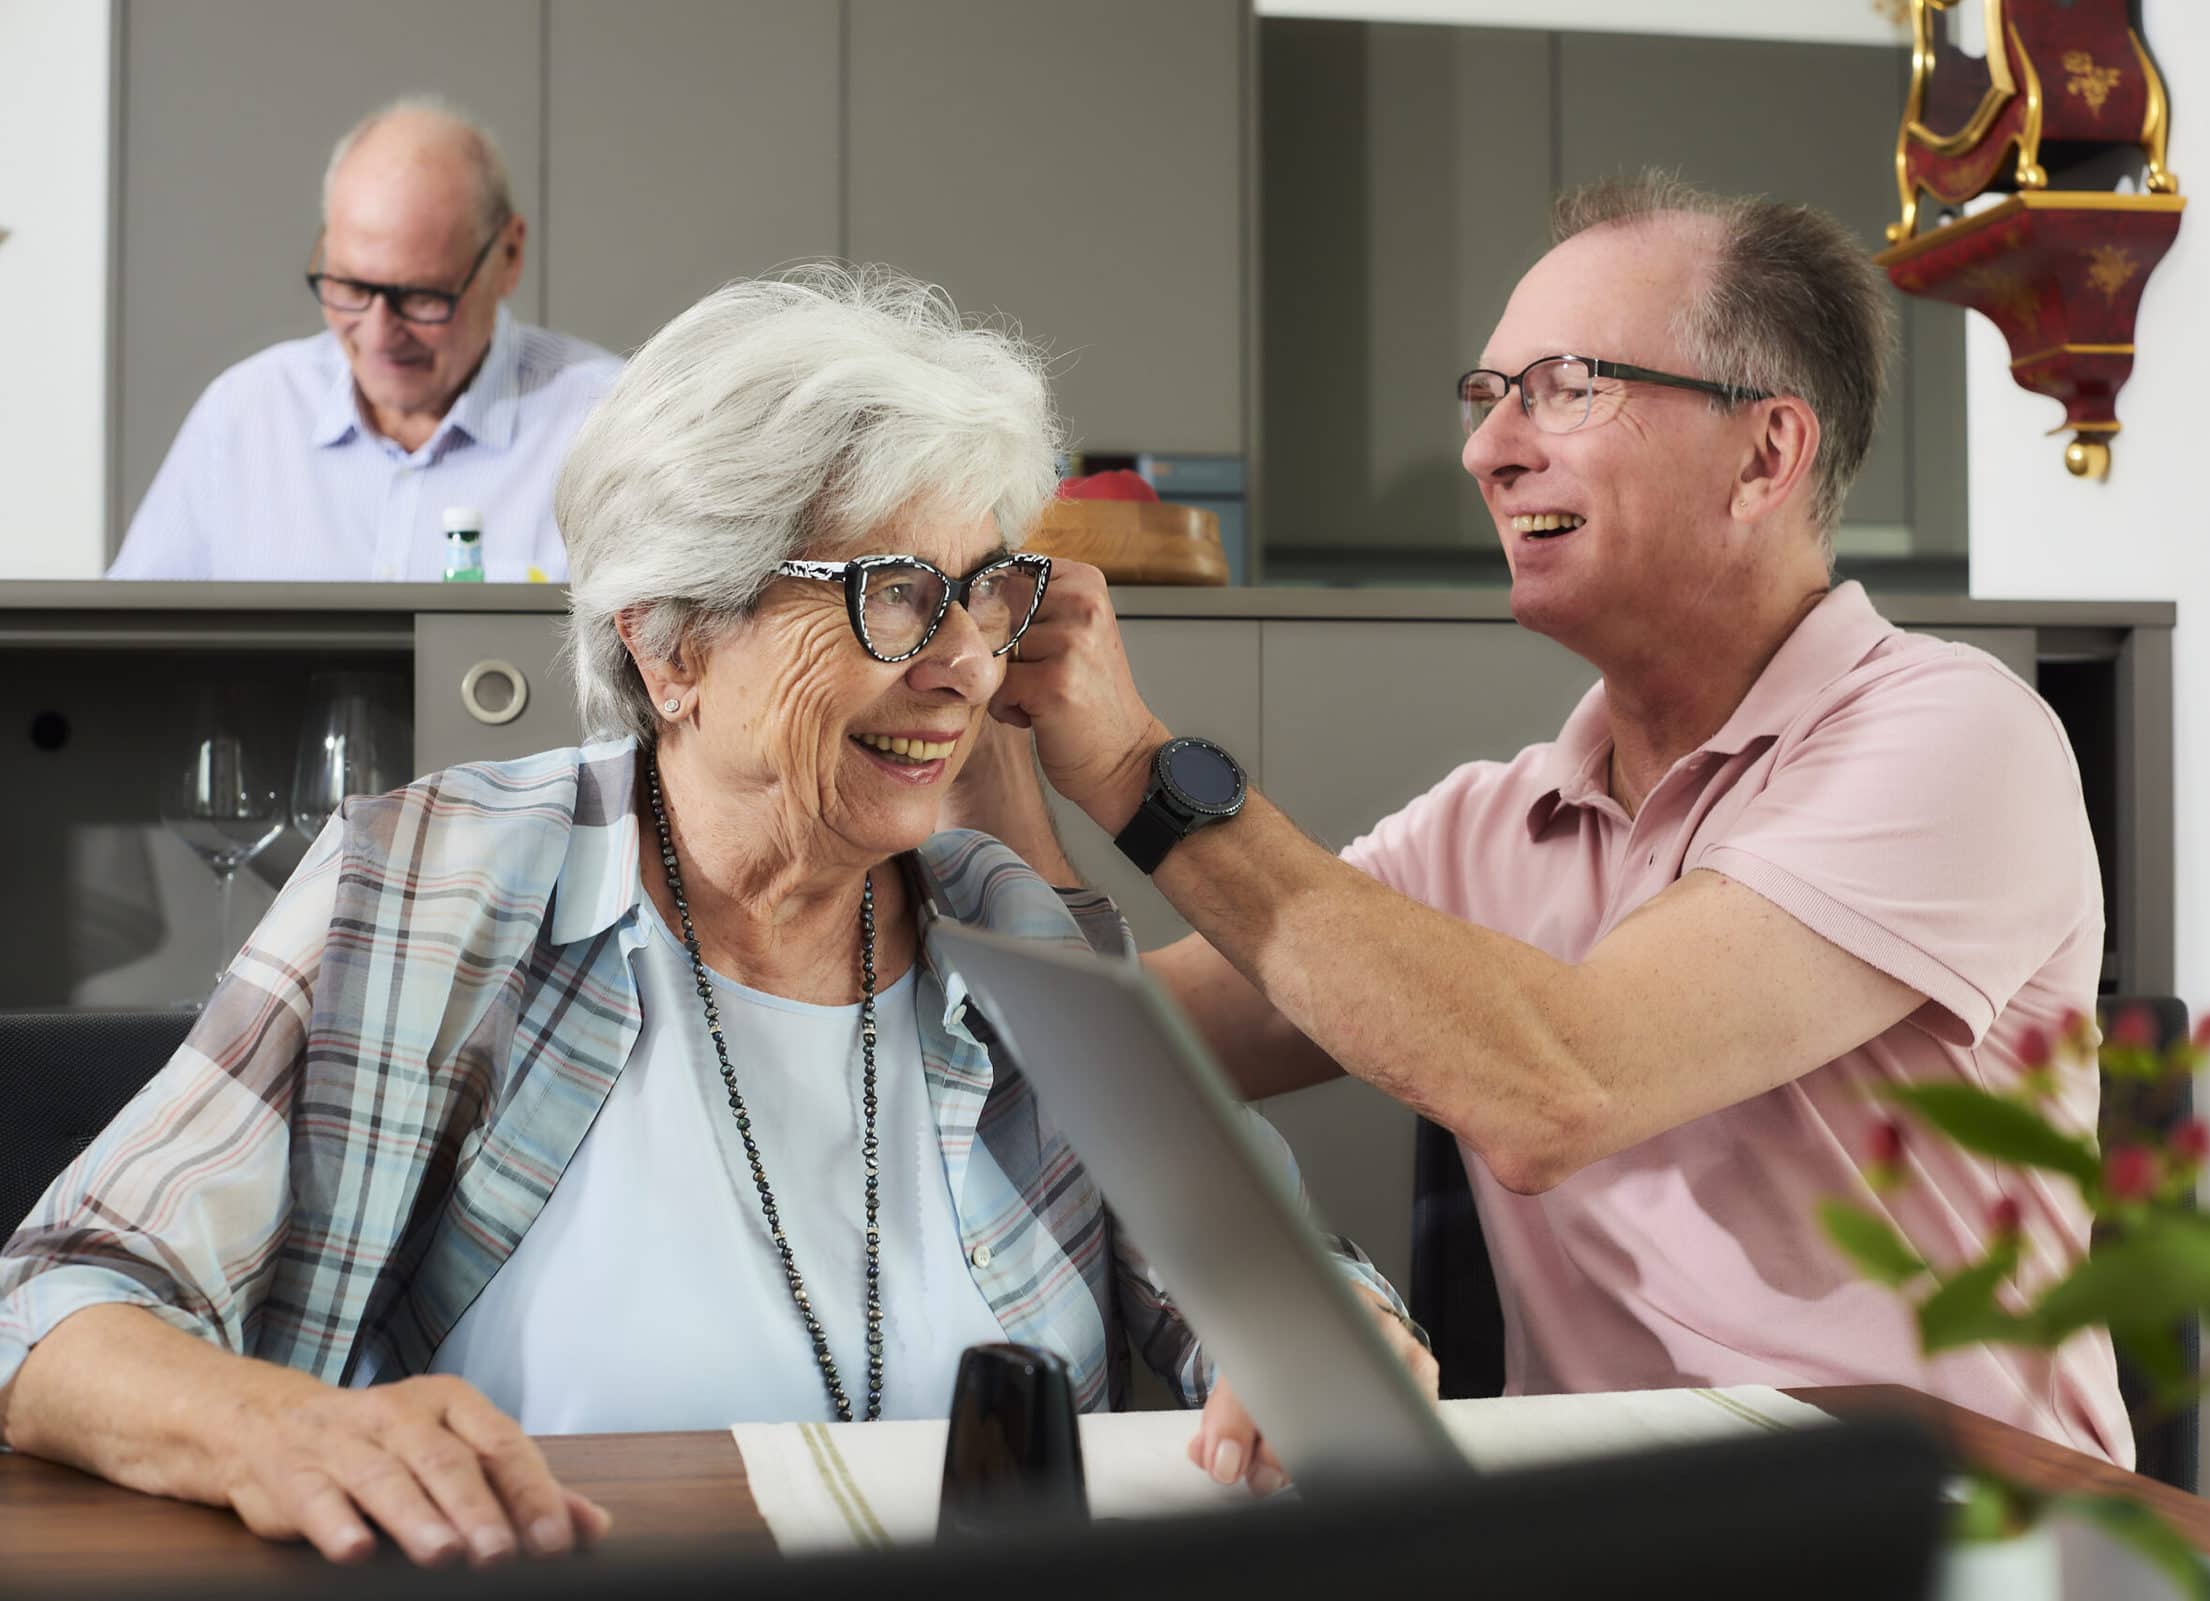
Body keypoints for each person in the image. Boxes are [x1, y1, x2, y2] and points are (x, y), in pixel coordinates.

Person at [1, 267, 1431, 1567]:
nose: (965, 673)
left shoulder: (1009, 928)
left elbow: (1271, 1284)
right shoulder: (435, 883)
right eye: (892, 597)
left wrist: (1324, 1345)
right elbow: (59, 1300)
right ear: (671, 638)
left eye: (986, 598)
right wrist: (275, 1427)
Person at [952, 171, 2136, 1465]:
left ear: (1765, 455)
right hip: (1607, 1536)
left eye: (1563, 388)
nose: (1486, 449)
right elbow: (1129, 1059)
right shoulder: (1488, 825)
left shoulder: (1957, 740)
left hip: (1957, 1536)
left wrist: (1136, 767)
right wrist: (997, 749)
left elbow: (1560, 1083)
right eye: (1486, 396)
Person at [107, 97, 620, 582]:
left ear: (509, 255)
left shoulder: (607, 428)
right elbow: (127, 653)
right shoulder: (244, 417)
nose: (378, 335)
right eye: (350, 287)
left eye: (421, 297)